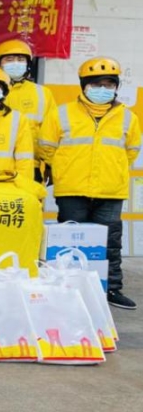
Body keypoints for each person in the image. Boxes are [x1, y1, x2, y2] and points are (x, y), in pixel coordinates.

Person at [39, 57, 141, 310]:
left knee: (110, 242)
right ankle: (67, 287)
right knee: (71, 242)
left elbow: (131, 152)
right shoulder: (61, 113)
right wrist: (64, 170)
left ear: (116, 87)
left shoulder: (128, 118)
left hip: (110, 190)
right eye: (96, 84)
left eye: (109, 84)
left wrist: (111, 170)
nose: (102, 89)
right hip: (71, 189)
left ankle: (111, 288)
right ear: (84, 85)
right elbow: (46, 149)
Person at [0, 39, 55, 181]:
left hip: (31, 166)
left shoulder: (42, 93)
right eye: (9, 59)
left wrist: (50, 165)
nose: (16, 64)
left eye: (21, 59)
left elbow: (51, 133)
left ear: (28, 64)